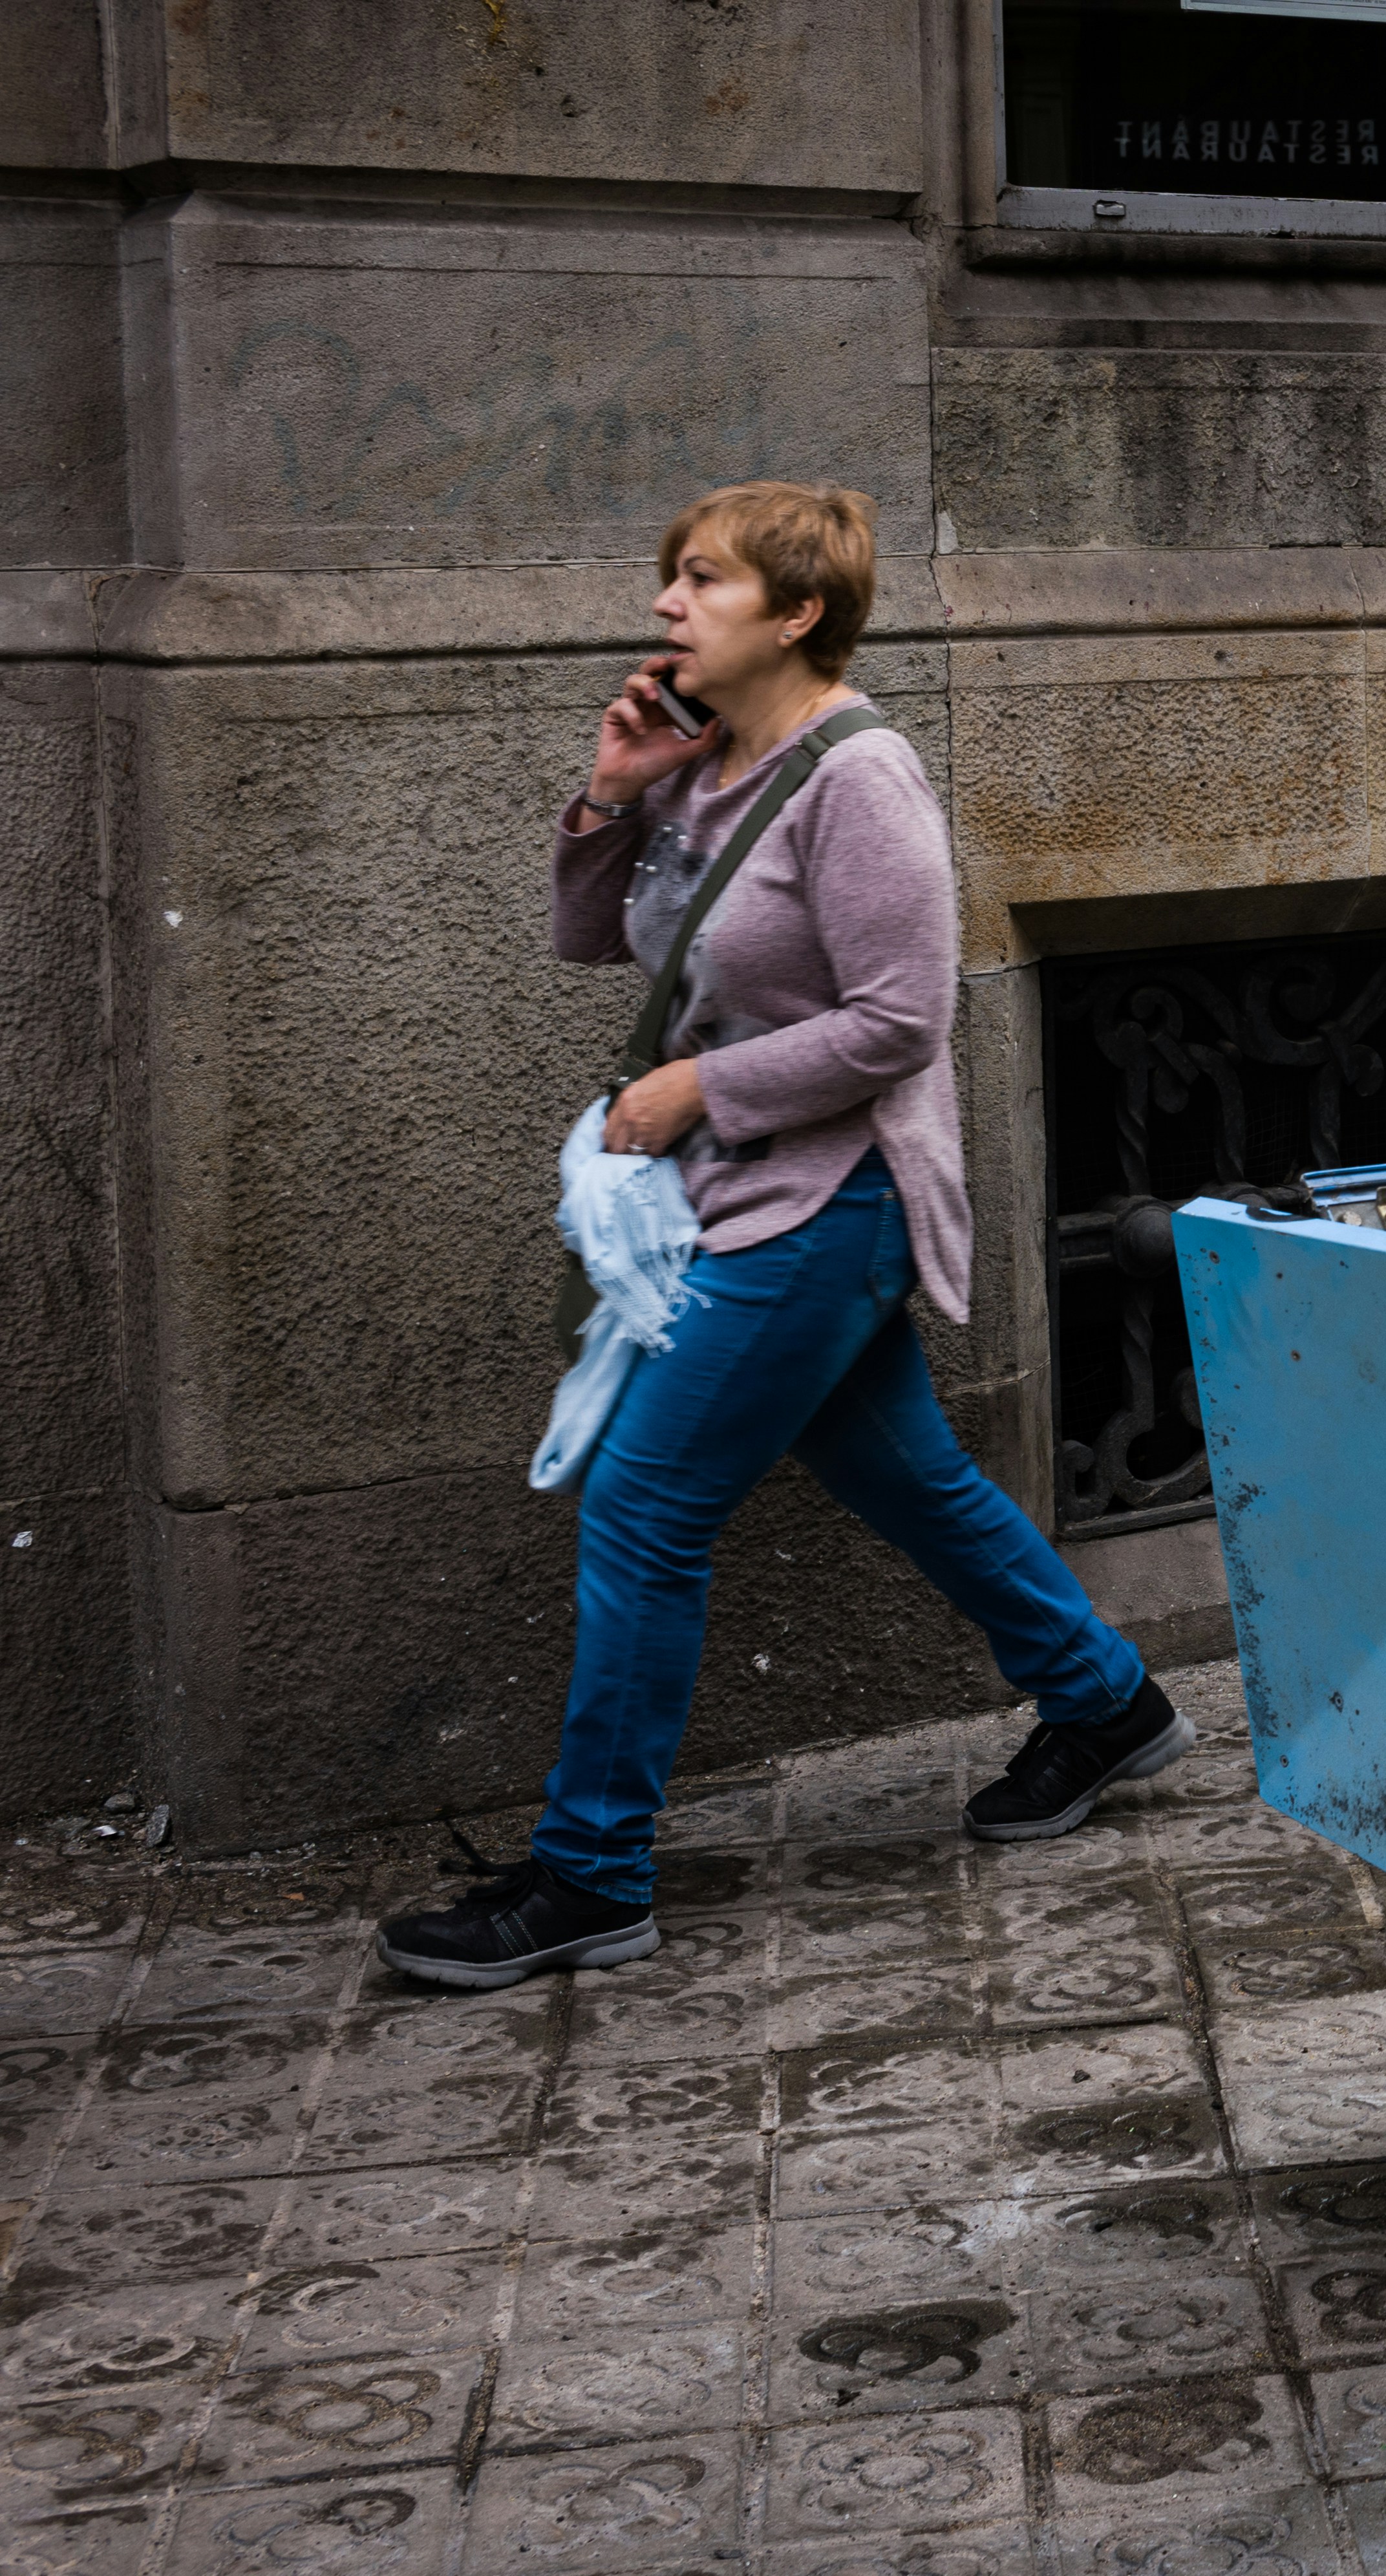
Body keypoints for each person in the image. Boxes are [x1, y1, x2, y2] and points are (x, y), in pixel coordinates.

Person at [379, 482, 1192, 1990]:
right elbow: (593, 942)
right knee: (910, 1476)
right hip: (745, 1195)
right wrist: (615, 790)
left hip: (835, 1203)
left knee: (642, 1506)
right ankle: (1107, 1704)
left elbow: (901, 1022)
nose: (669, 605)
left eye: (703, 581)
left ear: (798, 611)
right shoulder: (707, 770)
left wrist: (700, 1084)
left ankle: (589, 1874)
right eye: (672, 577)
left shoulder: (859, 779)